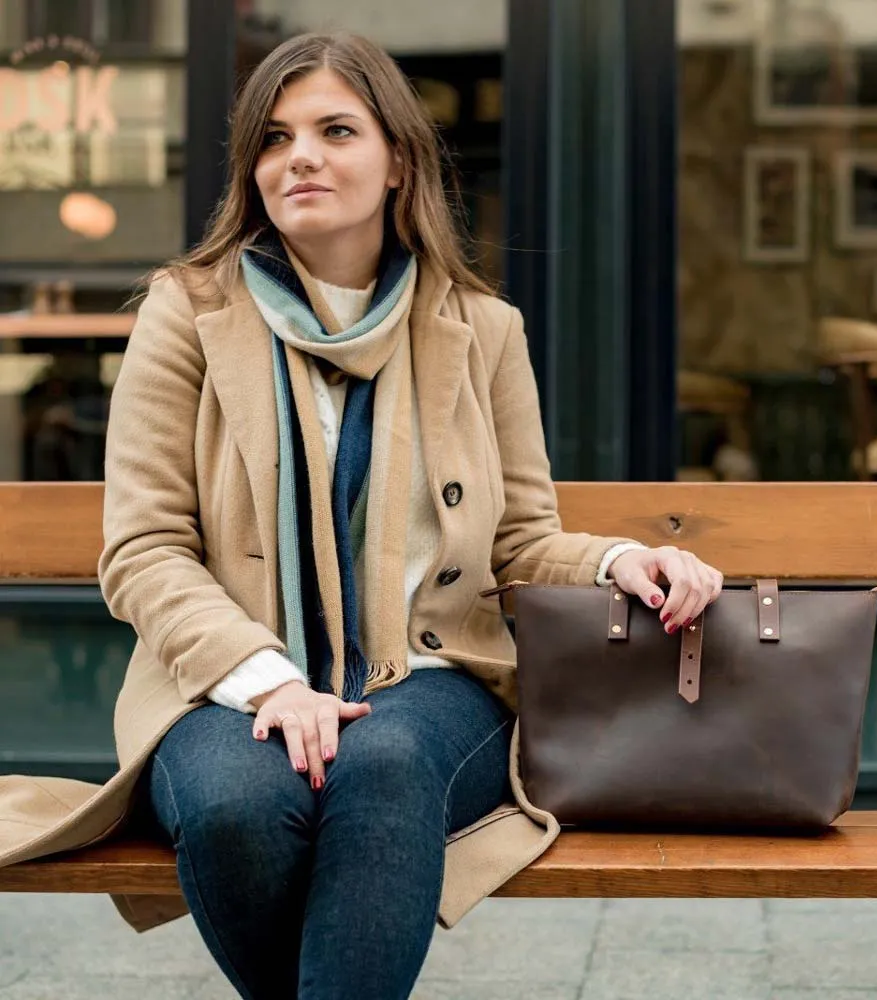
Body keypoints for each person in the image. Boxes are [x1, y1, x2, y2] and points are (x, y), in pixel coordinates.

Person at [97, 32, 724, 1000]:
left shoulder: (481, 329)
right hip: (228, 677)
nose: (298, 155)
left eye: (334, 129)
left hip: (428, 674)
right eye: (273, 137)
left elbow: (517, 537)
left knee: (381, 763)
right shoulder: (187, 312)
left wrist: (620, 562)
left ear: (398, 160)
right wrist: (270, 683)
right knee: (235, 806)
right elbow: (144, 547)